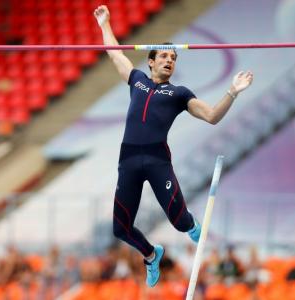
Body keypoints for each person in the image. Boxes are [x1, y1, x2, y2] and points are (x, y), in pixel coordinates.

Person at [93, 5, 254, 287]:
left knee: (179, 222)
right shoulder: (137, 81)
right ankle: (151, 255)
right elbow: (115, 53)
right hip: (128, 160)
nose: (170, 61)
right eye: (165, 56)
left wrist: (232, 91)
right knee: (120, 228)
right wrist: (105, 24)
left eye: (174, 58)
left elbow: (212, 116)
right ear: (151, 62)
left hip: (156, 160)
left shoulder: (178, 94)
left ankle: (192, 226)